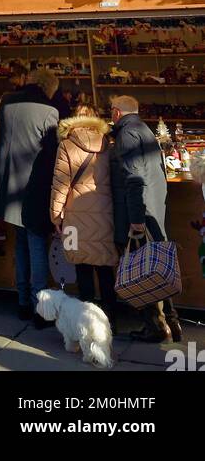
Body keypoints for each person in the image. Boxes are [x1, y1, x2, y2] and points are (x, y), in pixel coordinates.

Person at [110, 94, 181, 343]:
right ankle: (171, 319)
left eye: (111, 111)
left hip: (140, 210)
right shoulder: (144, 129)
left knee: (144, 269)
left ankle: (155, 326)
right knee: (157, 265)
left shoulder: (126, 134)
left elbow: (134, 178)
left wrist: (136, 217)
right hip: (153, 206)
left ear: (117, 112)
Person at [0, 67, 59, 326]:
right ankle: (39, 307)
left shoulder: (6, 102)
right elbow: (51, 153)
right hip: (34, 187)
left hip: (9, 185)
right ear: (48, 87)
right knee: (37, 245)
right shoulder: (49, 112)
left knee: (21, 244)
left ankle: (22, 301)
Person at [50, 101, 117, 327]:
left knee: (81, 266)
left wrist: (55, 216)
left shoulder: (67, 145)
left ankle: (88, 321)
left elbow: (60, 185)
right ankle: (111, 320)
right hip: (105, 214)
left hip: (73, 216)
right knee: (106, 266)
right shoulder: (108, 144)